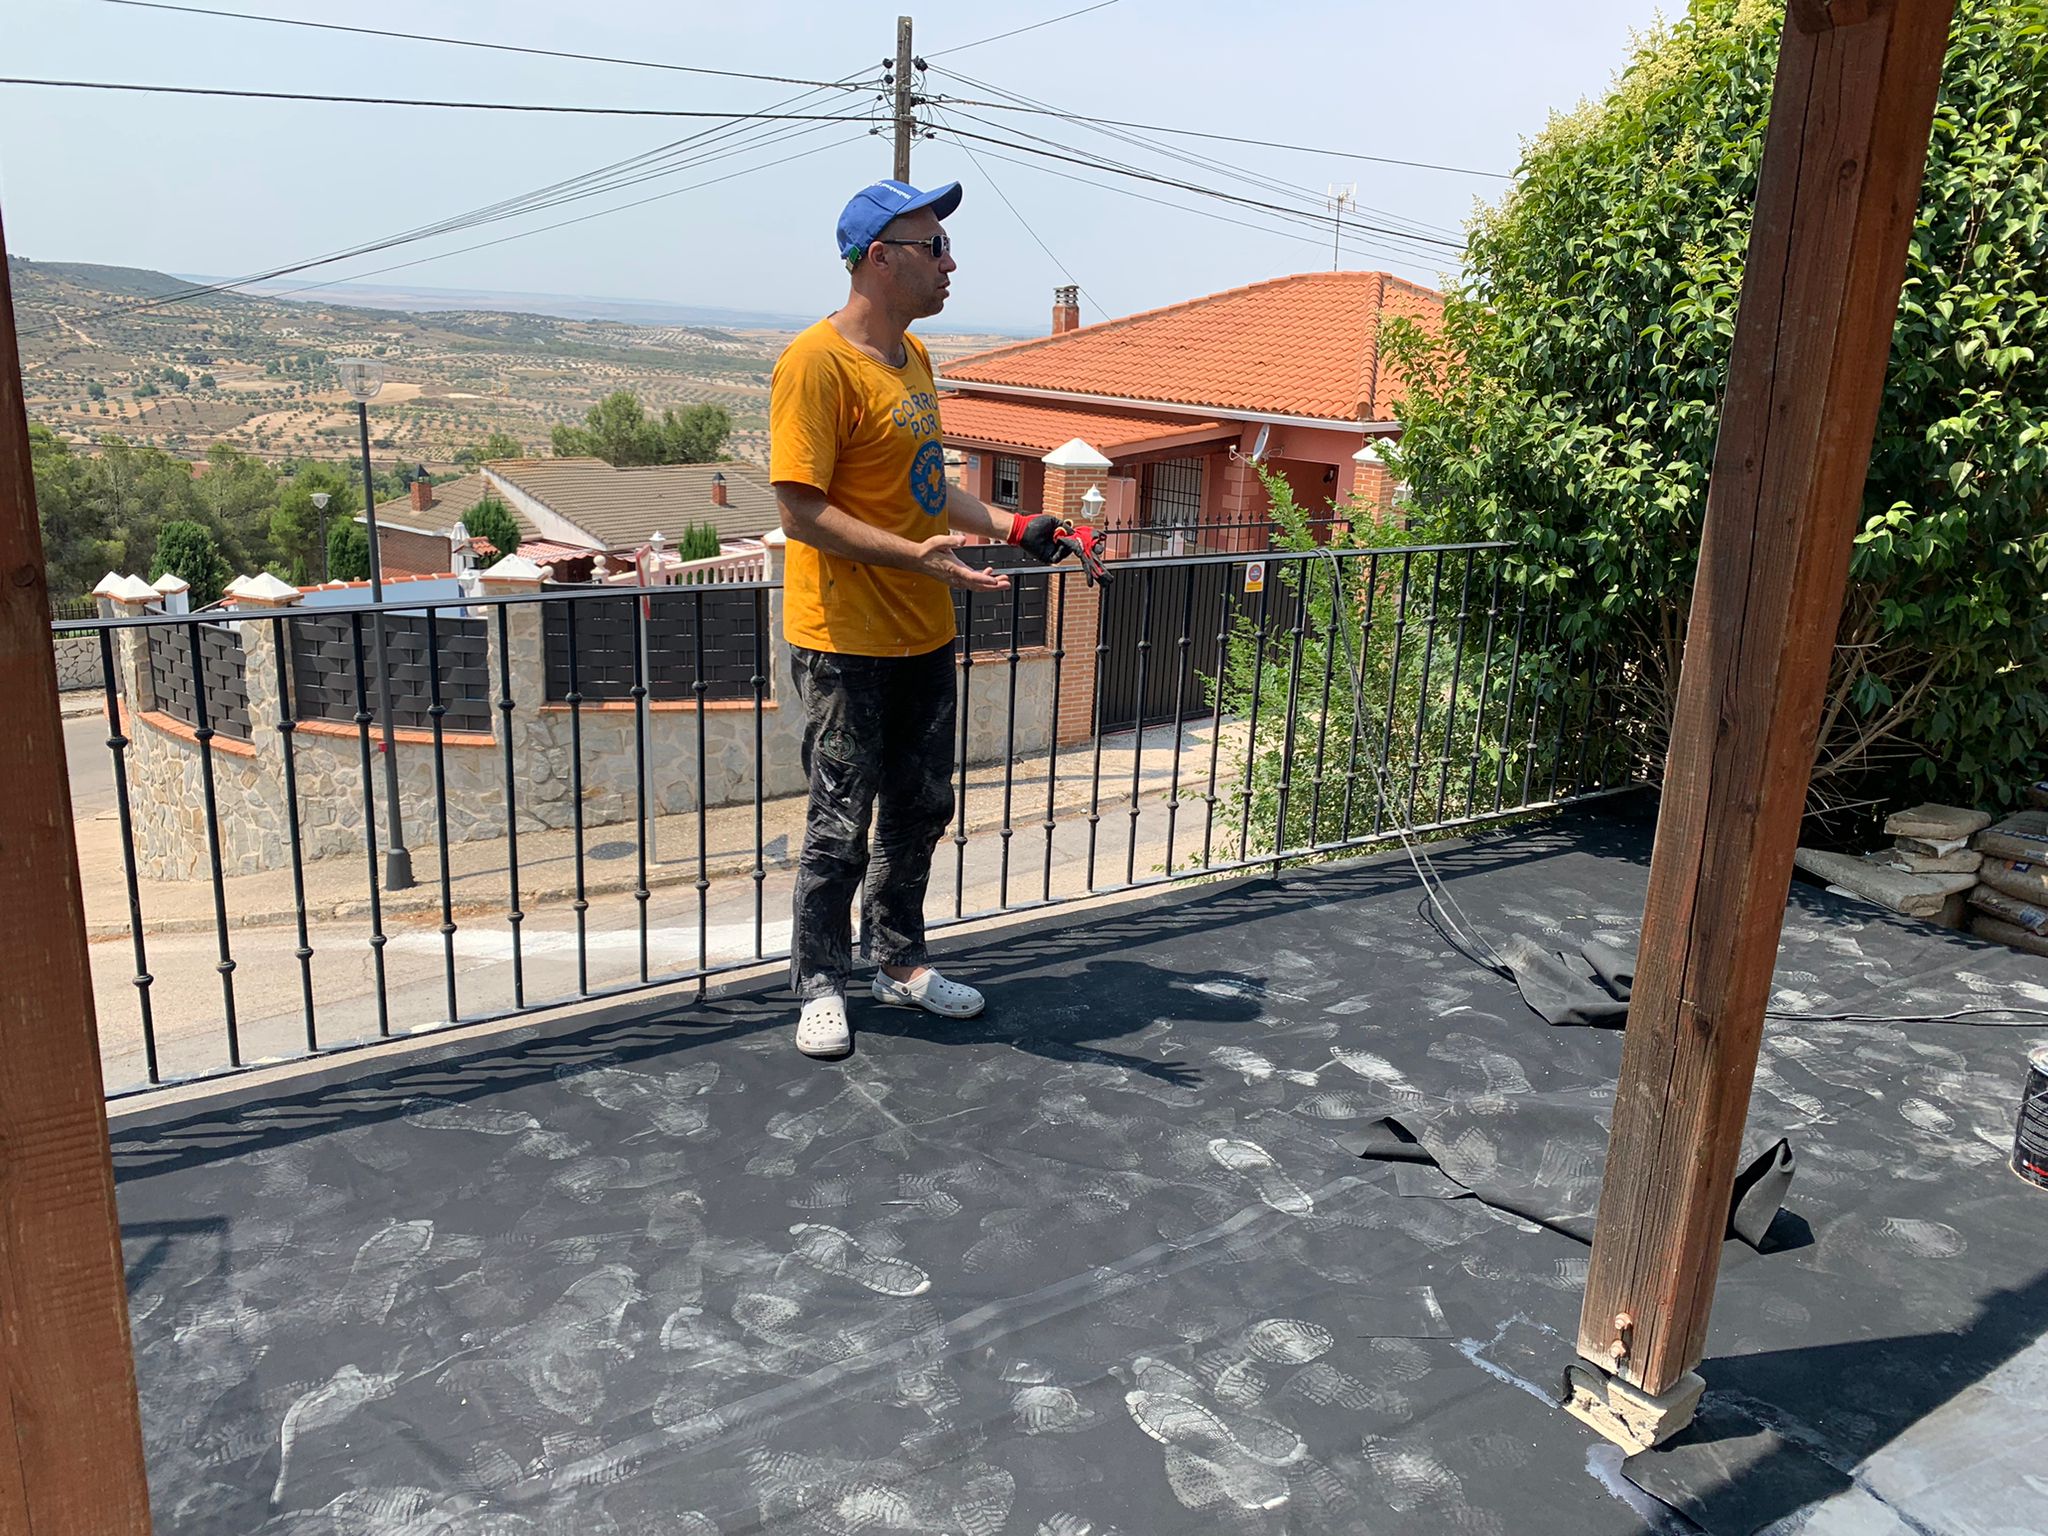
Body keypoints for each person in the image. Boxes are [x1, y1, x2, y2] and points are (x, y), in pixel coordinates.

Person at [768, 179, 1079, 1059]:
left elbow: (926, 487)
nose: (951, 263)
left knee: (920, 809)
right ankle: (820, 982)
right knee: (839, 824)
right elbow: (800, 513)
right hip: (844, 641)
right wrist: (915, 558)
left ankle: (899, 964)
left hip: (923, 632)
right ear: (880, 258)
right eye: (933, 247)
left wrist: (1015, 526)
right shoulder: (815, 365)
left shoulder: (912, 358)